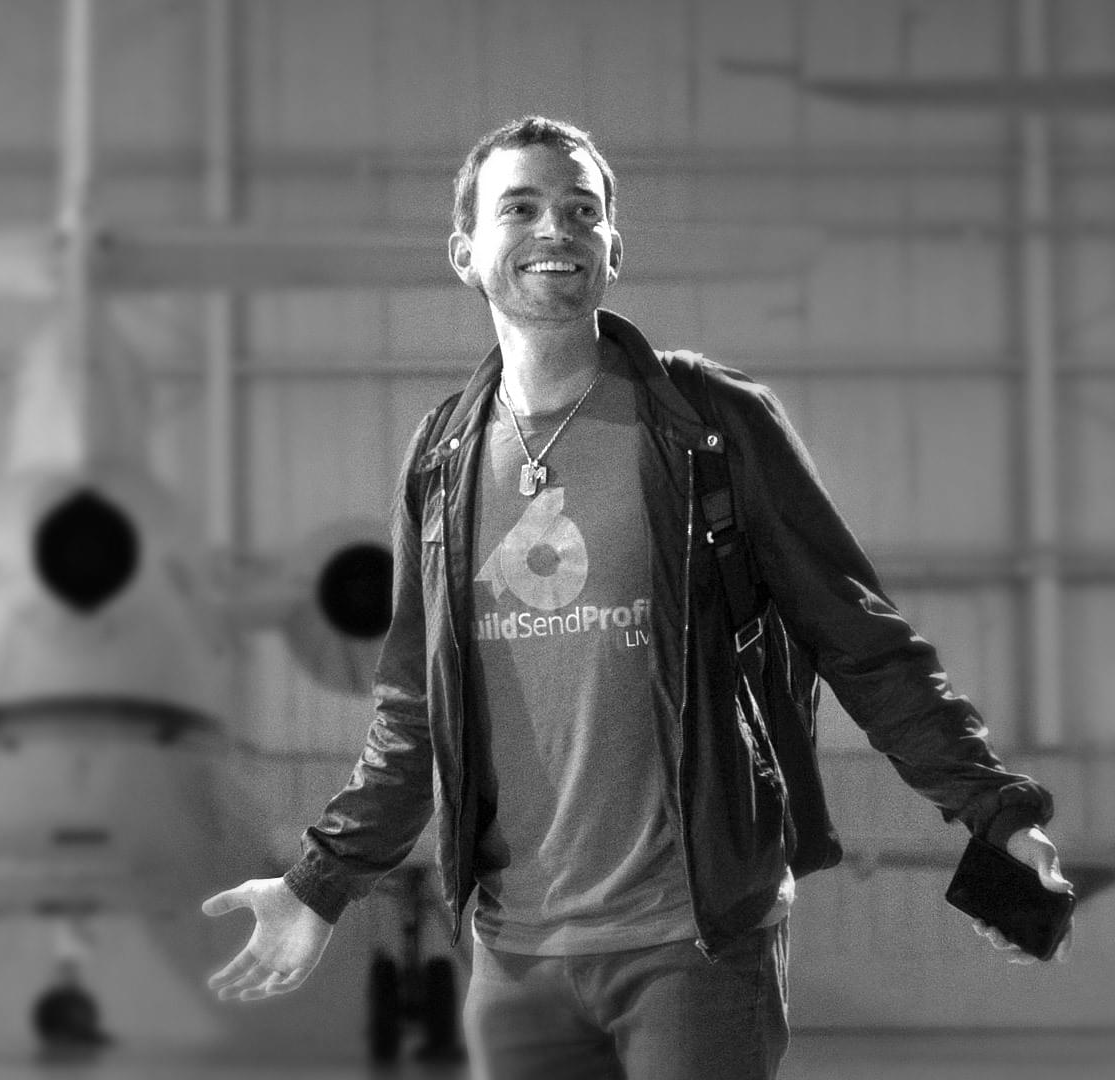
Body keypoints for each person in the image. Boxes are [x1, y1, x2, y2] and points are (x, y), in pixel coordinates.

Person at [201, 115, 1073, 1079]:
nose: (555, 228)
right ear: (465, 253)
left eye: (582, 211)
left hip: (693, 947)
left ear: (613, 249)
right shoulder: (441, 460)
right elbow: (413, 713)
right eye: (520, 207)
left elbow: (860, 639)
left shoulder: (709, 424)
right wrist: (318, 884)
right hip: (515, 958)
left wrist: (994, 809)